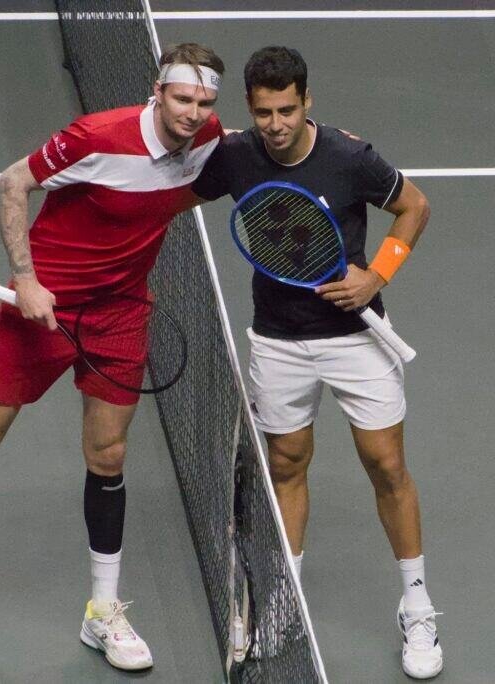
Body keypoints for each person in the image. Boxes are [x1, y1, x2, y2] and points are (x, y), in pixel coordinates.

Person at [0, 43, 226, 673]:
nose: (193, 112)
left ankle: (103, 610)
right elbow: (12, 180)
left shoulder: (209, 140)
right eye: (183, 98)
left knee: (109, 454)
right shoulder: (95, 137)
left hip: (121, 312)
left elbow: (245, 163)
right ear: (158, 90)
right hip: (41, 305)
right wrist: (26, 276)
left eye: (205, 101)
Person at [189, 46, 442, 679]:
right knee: (287, 463)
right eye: (264, 112)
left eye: (287, 110)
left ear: (308, 104)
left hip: (357, 336)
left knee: (386, 465)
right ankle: (283, 598)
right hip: (278, 340)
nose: (276, 123)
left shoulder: (349, 158)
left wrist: (375, 275)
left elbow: (416, 206)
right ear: (249, 109)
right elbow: (170, 190)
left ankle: (417, 603)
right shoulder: (236, 157)